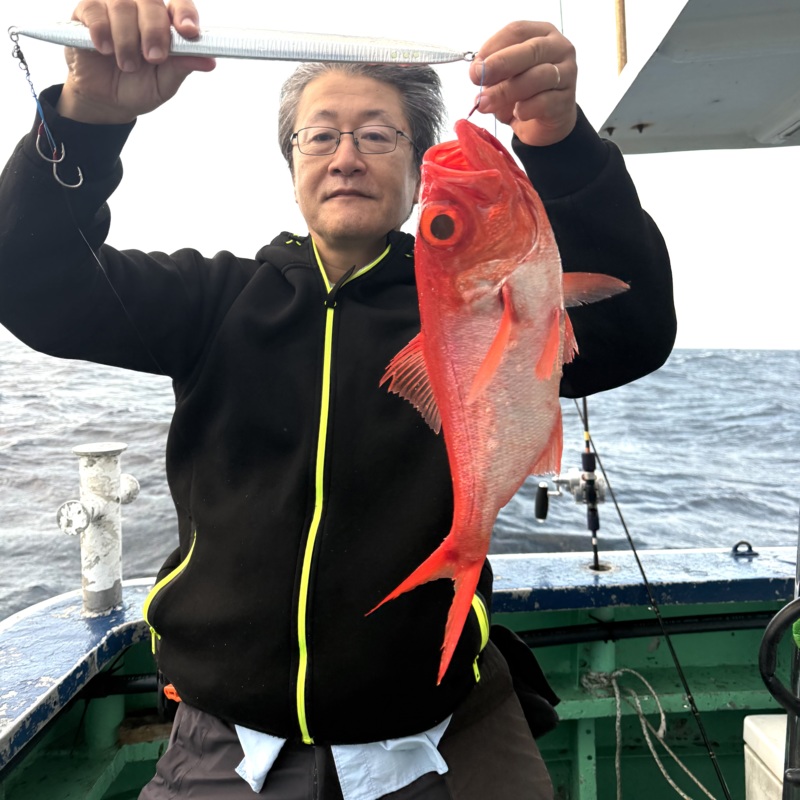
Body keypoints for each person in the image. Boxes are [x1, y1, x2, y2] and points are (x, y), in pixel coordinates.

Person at [0, 1, 676, 797]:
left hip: (439, 736)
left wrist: (560, 143)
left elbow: (634, 328)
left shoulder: (477, 308)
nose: (345, 156)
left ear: (421, 168)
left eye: (378, 134)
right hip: (227, 744)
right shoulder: (211, 301)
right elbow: (32, 284)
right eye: (320, 135)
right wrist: (89, 120)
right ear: (291, 167)